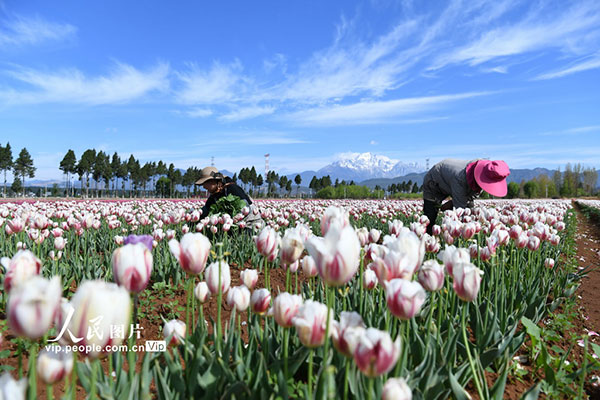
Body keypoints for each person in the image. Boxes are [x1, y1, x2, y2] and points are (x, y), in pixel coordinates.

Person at [422, 159, 510, 235]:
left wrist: (453, 203)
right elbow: (460, 209)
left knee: (469, 210)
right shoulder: (460, 178)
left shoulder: (487, 170)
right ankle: (427, 239)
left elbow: (472, 195)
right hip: (435, 181)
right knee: (430, 216)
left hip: (454, 181)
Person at [196, 166, 263, 229]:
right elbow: (206, 209)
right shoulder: (214, 195)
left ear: (213, 181)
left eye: (205, 183)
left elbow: (245, 208)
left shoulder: (232, 189)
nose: (204, 187)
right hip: (233, 225)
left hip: (251, 223)